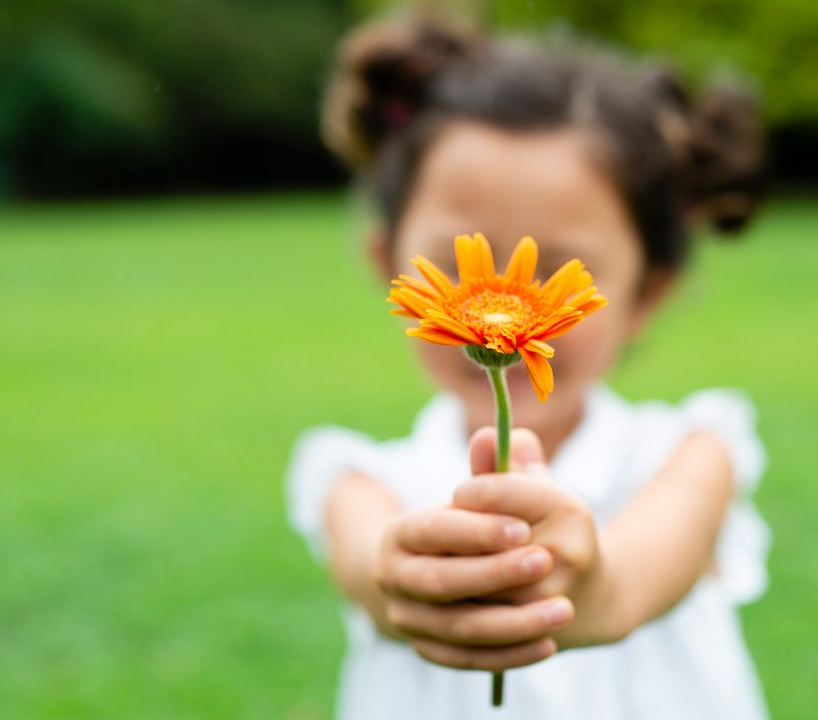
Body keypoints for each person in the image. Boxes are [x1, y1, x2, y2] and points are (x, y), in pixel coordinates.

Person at [289, 14, 770, 719]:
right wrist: (408, 580)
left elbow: (643, 570)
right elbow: (372, 569)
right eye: (456, 267)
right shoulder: (359, 481)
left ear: (647, 293)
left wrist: (593, 591)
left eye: (558, 274)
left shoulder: (692, 454)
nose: (505, 310)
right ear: (388, 265)